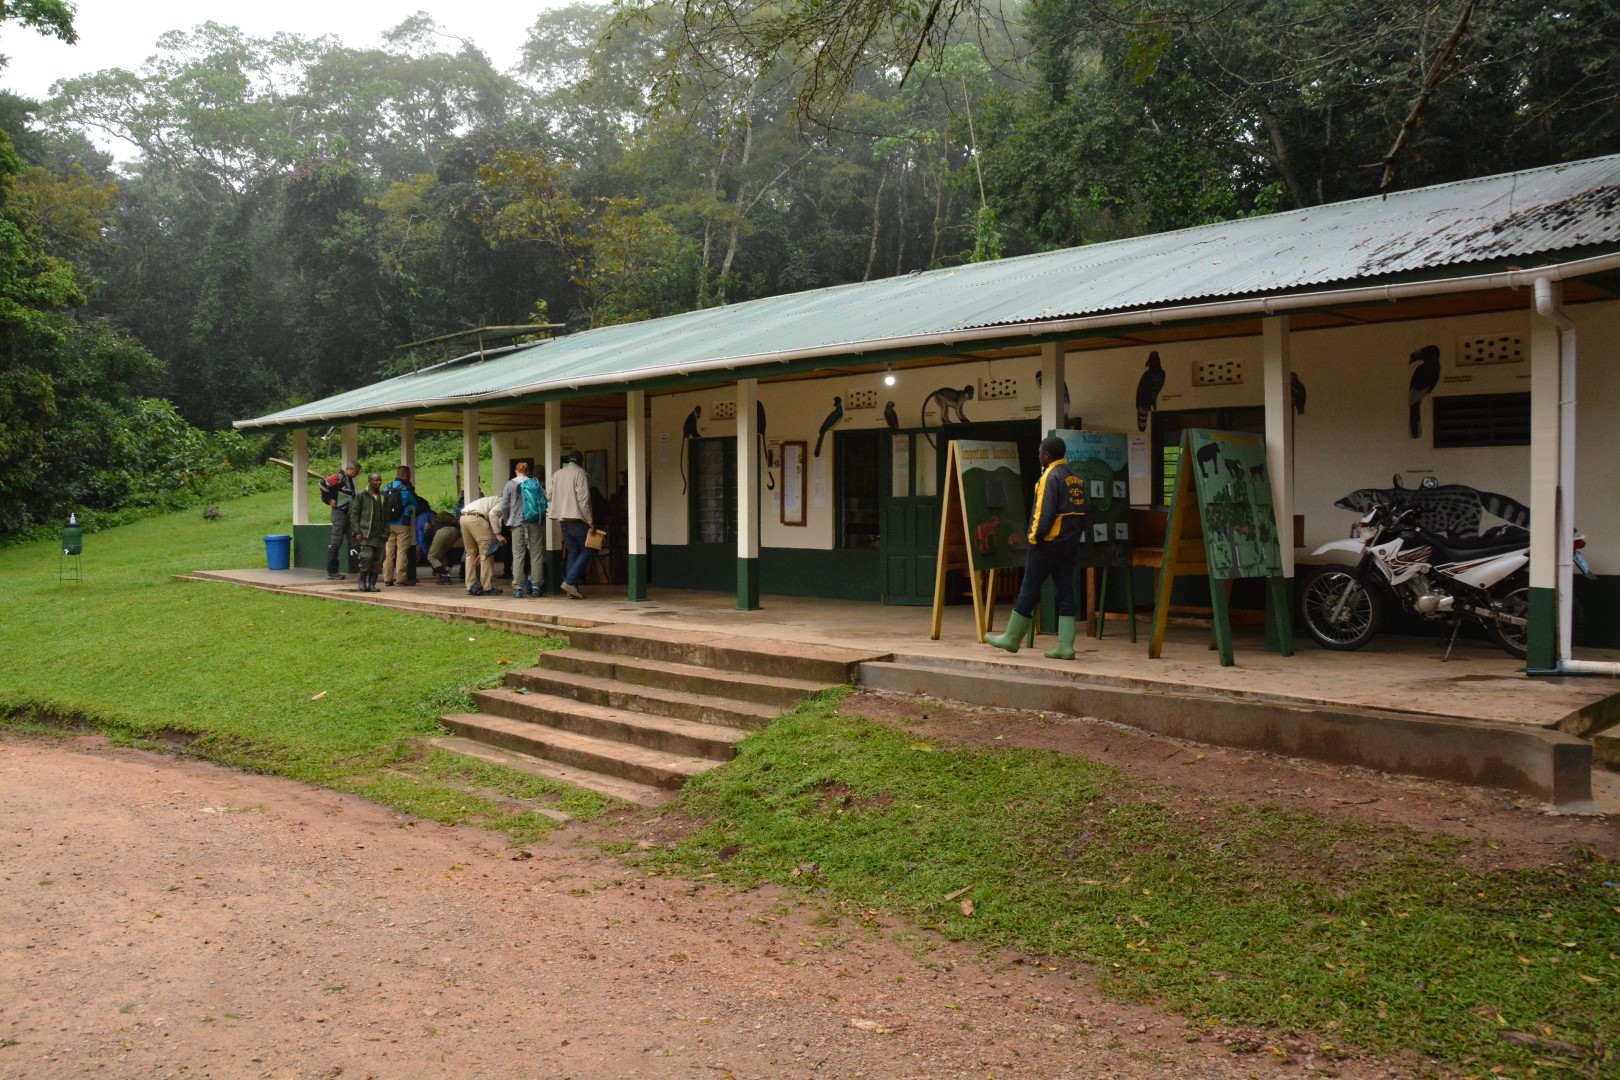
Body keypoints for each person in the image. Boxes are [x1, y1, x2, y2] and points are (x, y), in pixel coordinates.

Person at [985, 437, 1087, 659]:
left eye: (1040, 452)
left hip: (1047, 544)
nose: (1038, 455)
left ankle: (1012, 638)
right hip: (1069, 545)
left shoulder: (1049, 477)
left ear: (1047, 455)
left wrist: (1033, 537)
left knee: (1029, 589)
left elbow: (1044, 511)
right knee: (1066, 592)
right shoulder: (1076, 478)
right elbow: (1084, 512)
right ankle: (1066, 646)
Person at [547, 449, 594, 600]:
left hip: (563, 520)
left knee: (573, 552)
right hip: (578, 519)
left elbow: (549, 495)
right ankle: (570, 581)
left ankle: (571, 588)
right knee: (588, 550)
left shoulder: (558, 474)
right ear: (581, 461)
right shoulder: (580, 473)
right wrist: (591, 521)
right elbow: (583, 500)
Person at [499, 461, 547, 598]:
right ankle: (537, 586)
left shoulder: (510, 484)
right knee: (536, 554)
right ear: (528, 472)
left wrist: (507, 520)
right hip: (534, 522)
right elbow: (545, 498)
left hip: (517, 523)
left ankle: (518, 588)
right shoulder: (535, 483)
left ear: (516, 471)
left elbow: (503, 505)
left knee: (518, 555)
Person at [458, 491, 506, 597]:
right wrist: (498, 535)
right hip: (477, 518)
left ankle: (470, 585)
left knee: (470, 553)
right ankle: (486, 587)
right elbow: (493, 514)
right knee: (487, 554)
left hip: (464, 517)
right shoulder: (503, 501)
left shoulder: (491, 499)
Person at [318, 461, 359, 581]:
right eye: (356, 472)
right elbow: (322, 484)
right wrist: (329, 500)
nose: (356, 475)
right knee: (336, 542)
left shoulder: (348, 479)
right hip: (339, 514)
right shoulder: (339, 476)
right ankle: (332, 571)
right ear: (351, 470)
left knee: (355, 541)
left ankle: (361, 567)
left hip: (348, 515)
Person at [350, 472, 389, 593]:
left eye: (379, 480)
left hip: (380, 534)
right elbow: (354, 514)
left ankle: (372, 584)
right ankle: (362, 580)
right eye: (375, 480)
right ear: (369, 481)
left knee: (378, 560)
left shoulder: (383, 496)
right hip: (366, 533)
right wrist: (357, 531)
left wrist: (387, 532)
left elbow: (386, 516)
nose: (378, 482)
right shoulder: (361, 495)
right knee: (367, 557)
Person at [382, 465, 418, 587]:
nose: (410, 477)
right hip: (402, 523)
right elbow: (415, 502)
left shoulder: (387, 487)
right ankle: (401, 579)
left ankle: (387, 578)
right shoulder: (404, 489)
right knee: (402, 551)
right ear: (404, 475)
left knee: (389, 551)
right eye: (409, 475)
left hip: (388, 523)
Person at [424, 511, 463, 585]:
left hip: (441, 533)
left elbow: (426, 541)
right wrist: (450, 564)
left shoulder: (432, 526)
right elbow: (450, 550)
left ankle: (444, 576)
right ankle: (445, 576)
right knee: (443, 553)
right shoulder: (453, 524)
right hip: (455, 532)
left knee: (431, 556)